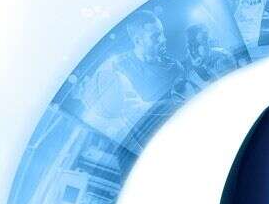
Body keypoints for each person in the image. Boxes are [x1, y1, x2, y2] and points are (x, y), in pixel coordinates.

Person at [78, 10, 187, 142]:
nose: (163, 39)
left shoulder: (174, 68)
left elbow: (183, 106)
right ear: (138, 40)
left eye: (162, 33)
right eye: (155, 36)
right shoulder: (116, 66)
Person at [182, 24, 237, 91]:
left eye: (193, 44)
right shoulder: (199, 66)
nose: (191, 50)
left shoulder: (221, 57)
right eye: (190, 45)